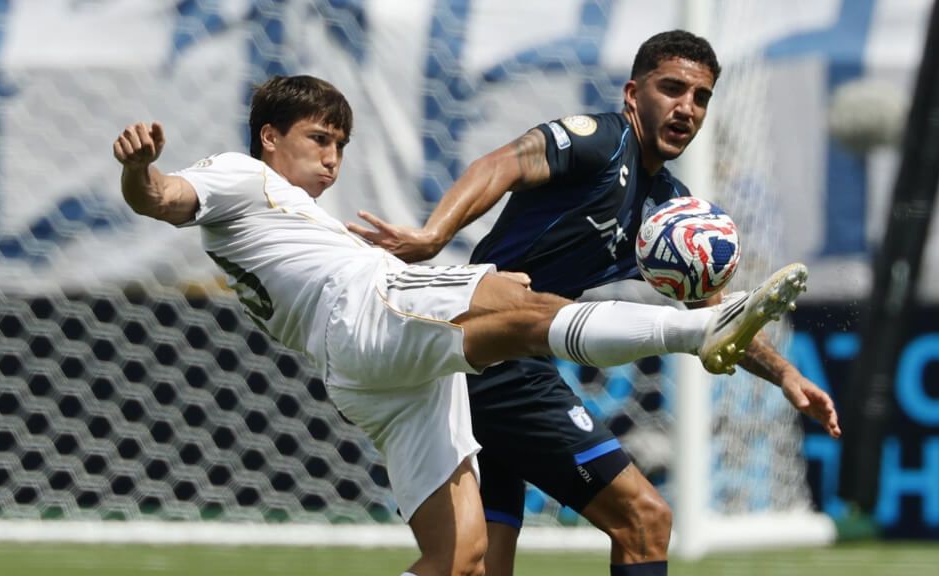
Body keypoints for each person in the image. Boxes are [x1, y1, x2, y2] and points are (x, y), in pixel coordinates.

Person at [115, 74, 819, 576]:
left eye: (340, 144)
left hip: (371, 376)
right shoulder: (241, 175)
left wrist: (782, 370)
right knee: (518, 305)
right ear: (269, 137)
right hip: (367, 310)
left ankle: (702, 331)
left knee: (460, 561)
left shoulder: (296, 220)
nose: (331, 157)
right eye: (318, 139)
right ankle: (699, 336)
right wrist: (142, 171)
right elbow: (166, 198)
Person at [348, 31, 842, 576]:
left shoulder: (669, 213)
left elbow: (714, 315)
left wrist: (785, 375)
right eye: (672, 88)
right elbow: (502, 163)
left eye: (700, 97)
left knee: (472, 567)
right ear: (633, 93)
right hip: (496, 358)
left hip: (483, 364)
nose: (687, 107)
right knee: (644, 519)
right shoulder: (601, 141)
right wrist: (433, 234)